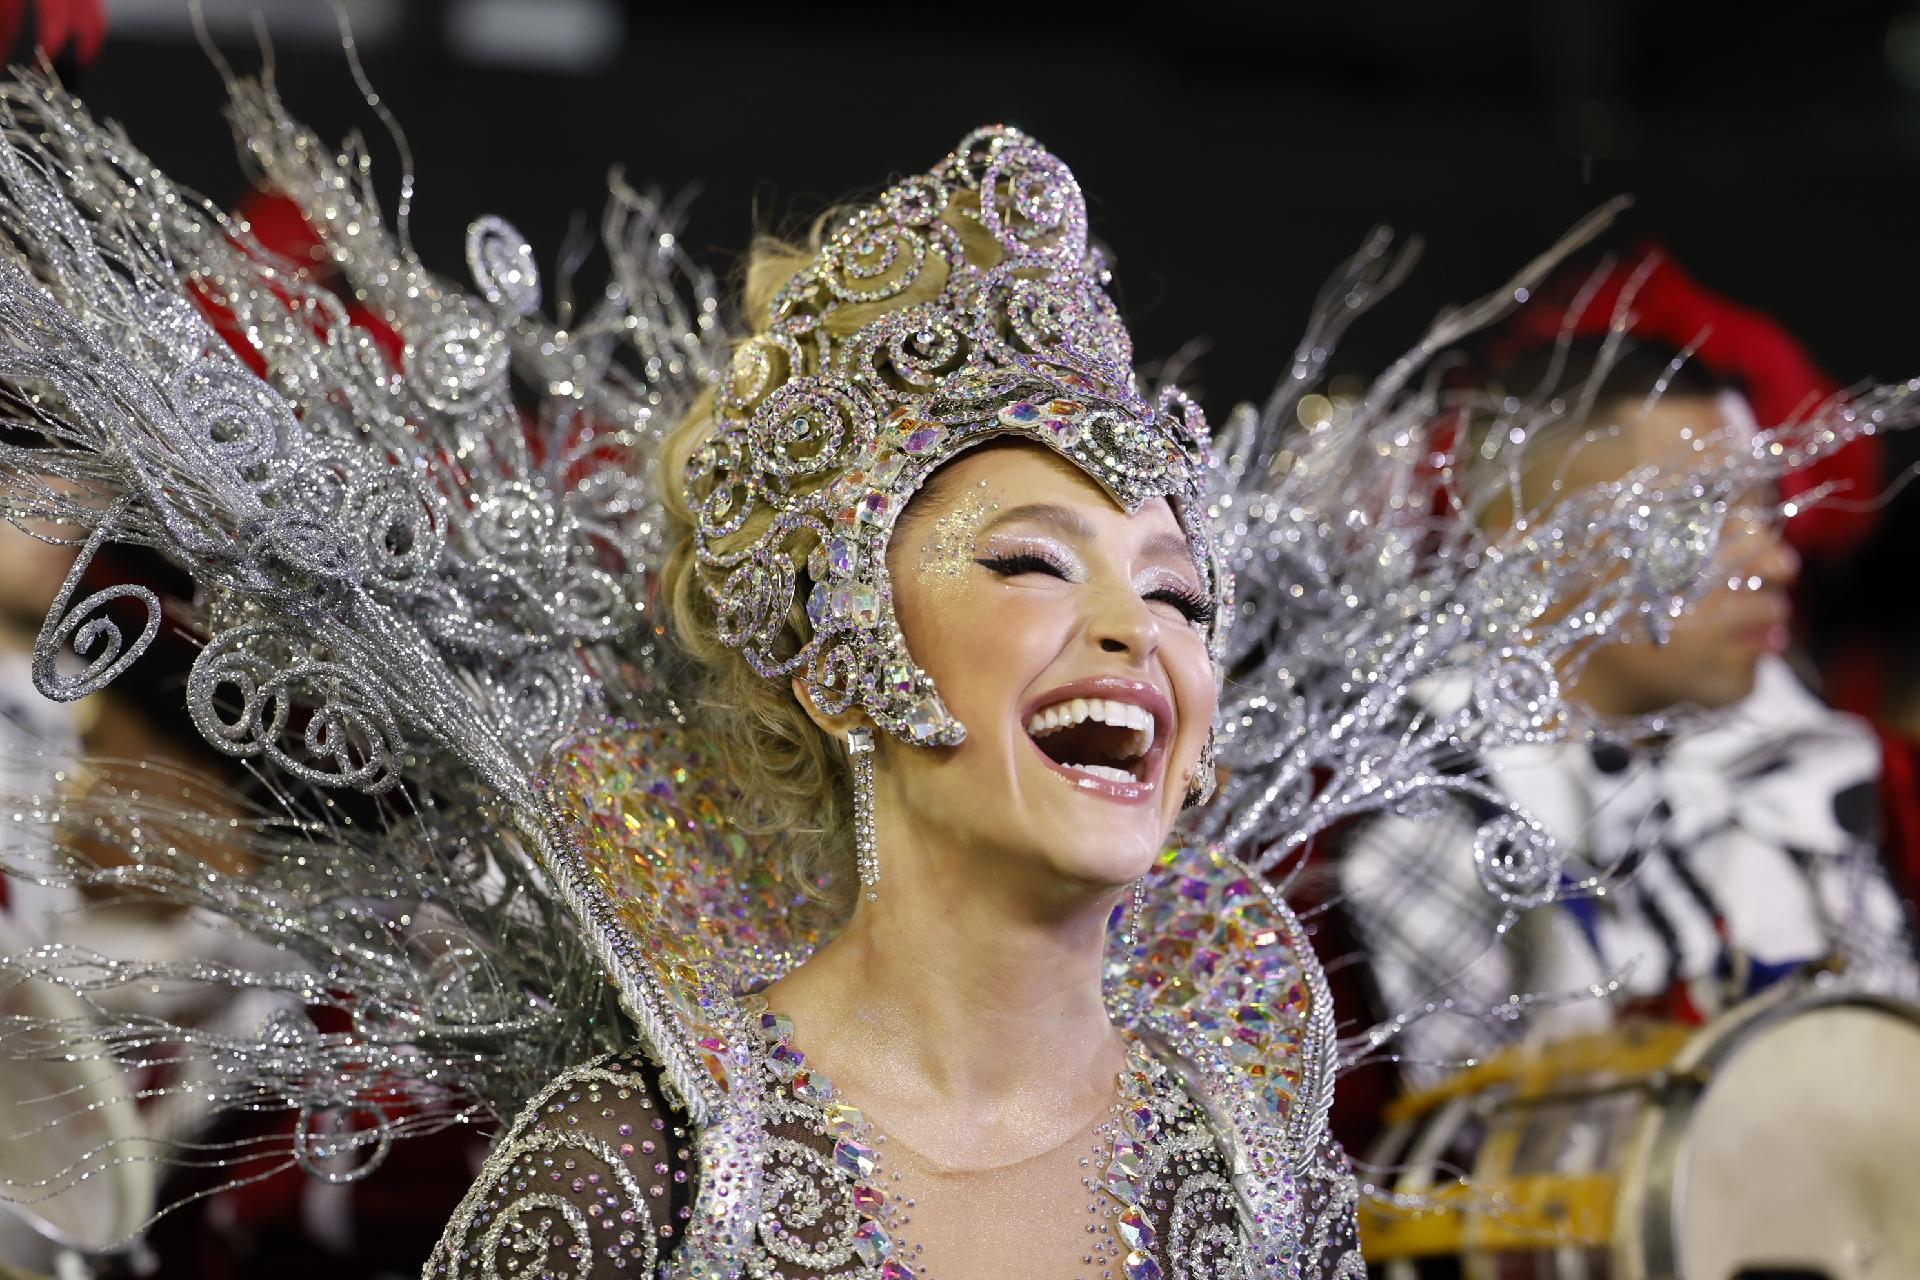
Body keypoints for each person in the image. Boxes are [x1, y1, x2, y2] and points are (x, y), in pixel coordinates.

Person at [0, 60, 1901, 1280]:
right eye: (1028, 565)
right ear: (837, 650)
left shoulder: (1243, 1162)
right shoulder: (652, 1162)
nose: (1133, 633)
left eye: (1178, 597)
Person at [1339, 334, 1919, 1090]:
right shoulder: (1407, 822)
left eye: (1763, 511)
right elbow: (1441, 1175)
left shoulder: (1850, 774)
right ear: (1537, 555)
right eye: (1700, 520)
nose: (1776, 561)